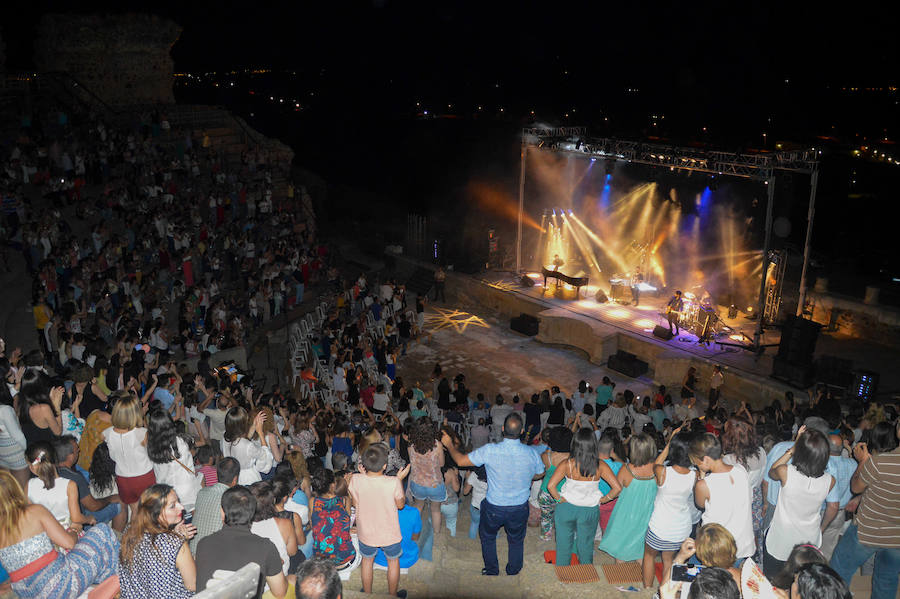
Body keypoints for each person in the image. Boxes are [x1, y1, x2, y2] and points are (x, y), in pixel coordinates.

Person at [440, 411, 544, 576]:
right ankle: (513, 570)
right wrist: (527, 474)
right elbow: (540, 473)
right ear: (522, 431)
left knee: (488, 537)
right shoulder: (531, 453)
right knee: (516, 540)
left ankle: (491, 569)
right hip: (519, 508)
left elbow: (460, 461)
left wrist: (450, 445)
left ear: (503, 429)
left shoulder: (489, 450)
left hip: (494, 506)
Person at [0, 470, 119, 599]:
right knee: (102, 531)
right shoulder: (33, 512)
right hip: (60, 587)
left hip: (27, 593)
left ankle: (101, 585)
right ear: (15, 489)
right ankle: (118, 585)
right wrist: (74, 529)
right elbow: (69, 543)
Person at [830, 418, 900, 599]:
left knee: (839, 569)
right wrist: (863, 498)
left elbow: (855, 486)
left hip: (867, 532)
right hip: (897, 539)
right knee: (886, 582)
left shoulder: (880, 462)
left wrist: (863, 461)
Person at [195, 485, 290, 599]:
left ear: (222, 512)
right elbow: (280, 593)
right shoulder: (265, 547)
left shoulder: (203, 543)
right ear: (252, 513)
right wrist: (276, 564)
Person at [547, 427, 620, 565]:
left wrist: (558, 498)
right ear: (594, 444)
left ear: (575, 443)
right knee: (586, 543)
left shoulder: (567, 464)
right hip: (589, 509)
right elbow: (617, 488)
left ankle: (563, 574)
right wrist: (604, 500)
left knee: (563, 544)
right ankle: (585, 572)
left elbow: (551, 486)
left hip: (566, 508)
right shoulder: (601, 465)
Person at [348, 442, 411, 597]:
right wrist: (399, 479)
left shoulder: (355, 479)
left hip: (366, 533)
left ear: (363, 464)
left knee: (367, 561)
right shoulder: (393, 482)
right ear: (384, 466)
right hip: (389, 534)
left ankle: (367, 593)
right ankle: (392, 594)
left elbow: (356, 503)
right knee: (393, 562)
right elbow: (401, 505)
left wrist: (362, 476)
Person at [118, 484, 198, 599]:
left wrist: (175, 534)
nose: (181, 507)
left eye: (178, 502)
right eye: (172, 506)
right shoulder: (175, 543)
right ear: (157, 514)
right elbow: (193, 585)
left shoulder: (129, 531)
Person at [642, 429, 696, 588]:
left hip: (660, 527)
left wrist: (669, 443)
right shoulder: (695, 475)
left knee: (649, 556)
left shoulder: (663, 471)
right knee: (669, 560)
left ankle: (647, 590)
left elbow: (656, 464)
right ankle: (667, 592)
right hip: (681, 529)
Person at [690, 433, 755, 561]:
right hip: (744, 545)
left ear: (706, 459)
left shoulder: (704, 484)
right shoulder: (740, 469)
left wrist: (701, 477)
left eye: (697, 462)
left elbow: (700, 504)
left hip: (718, 548)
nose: (697, 466)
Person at [597, 433, 658, 562]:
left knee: (622, 544)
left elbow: (617, 490)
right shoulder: (658, 470)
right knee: (641, 544)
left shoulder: (627, 469)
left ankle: (620, 578)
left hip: (626, 511)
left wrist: (604, 499)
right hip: (647, 512)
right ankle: (644, 577)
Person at [53, 435, 126, 532]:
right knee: (120, 503)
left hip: (57, 523)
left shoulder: (49, 472)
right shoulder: (75, 477)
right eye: (76, 449)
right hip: (79, 523)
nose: (79, 451)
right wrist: (111, 498)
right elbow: (93, 506)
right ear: (70, 456)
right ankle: (114, 540)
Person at [721, 416, 767, 560]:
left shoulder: (728, 460)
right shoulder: (761, 452)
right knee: (752, 531)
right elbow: (763, 479)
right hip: (756, 496)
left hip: (737, 501)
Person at [103, 394, 155, 515]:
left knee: (135, 512)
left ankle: (134, 533)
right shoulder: (142, 433)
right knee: (150, 513)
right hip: (144, 477)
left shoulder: (107, 433)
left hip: (122, 478)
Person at [147, 408, 202, 514]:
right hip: (186, 489)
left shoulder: (151, 447)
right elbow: (189, 466)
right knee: (192, 519)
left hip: (166, 491)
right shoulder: (181, 442)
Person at [190, 456, 240, 553]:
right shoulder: (232, 499)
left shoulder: (202, 493)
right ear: (235, 479)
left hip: (194, 553)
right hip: (214, 557)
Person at [310, 467, 356, 570]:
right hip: (346, 561)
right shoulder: (344, 500)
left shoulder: (312, 502)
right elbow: (347, 525)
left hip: (321, 562)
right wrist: (346, 488)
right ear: (332, 485)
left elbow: (314, 526)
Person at [819, 434, 856, 559]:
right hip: (840, 514)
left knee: (810, 547)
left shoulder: (822, 465)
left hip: (821, 512)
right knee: (828, 549)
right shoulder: (852, 464)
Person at [407, 418, 446, 535]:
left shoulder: (411, 446)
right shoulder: (437, 445)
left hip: (417, 482)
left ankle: (414, 532)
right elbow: (442, 464)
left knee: (418, 507)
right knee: (435, 510)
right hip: (435, 484)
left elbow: (413, 462)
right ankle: (437, 534)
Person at [222, 406, 274, 484]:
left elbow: (241, 442)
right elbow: (265, 461)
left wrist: (253, 426)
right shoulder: (248, 445)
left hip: (235, 478)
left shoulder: (226, 438)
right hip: (250, 480)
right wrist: (260, 433)